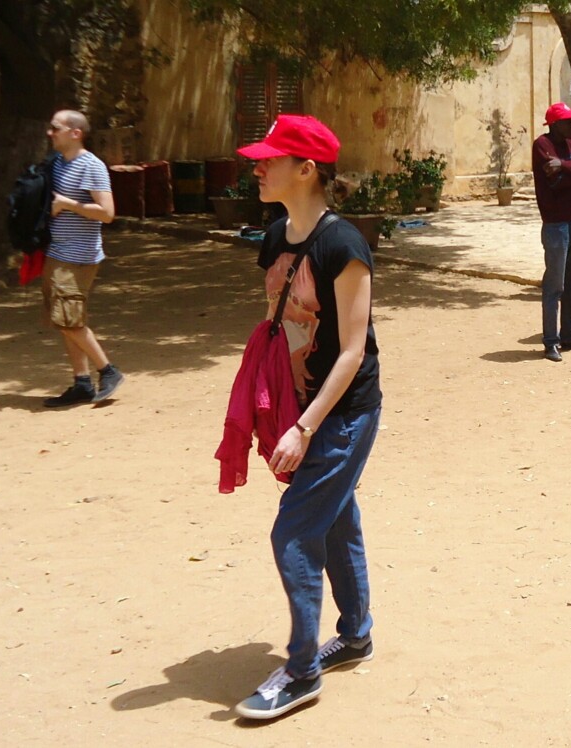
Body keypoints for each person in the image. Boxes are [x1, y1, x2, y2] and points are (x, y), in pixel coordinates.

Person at [231, 114, 384, 720]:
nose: (257, 166)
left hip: (343, 413)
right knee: (335, 514)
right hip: (300, 406)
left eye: (270, 158)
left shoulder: (343, 245)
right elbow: (282, 329)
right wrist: (271, 407)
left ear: (307, 169)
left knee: (293, 532)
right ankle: (356, 632)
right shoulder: (274, 237)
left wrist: (305, 426)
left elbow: (351, 349)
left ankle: (300, 671)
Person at [40, 109, 123, 408]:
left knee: (69, 319)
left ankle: (108, 371)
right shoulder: (59, 164)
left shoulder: (91, 166)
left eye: (55, 128)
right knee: (64, 320)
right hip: (56, 252)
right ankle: (82, 383)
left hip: (78, 255)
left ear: (75, 132)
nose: (50, 133)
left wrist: (68, 204)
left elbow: (108, 213)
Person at [532, 102, 571, 362]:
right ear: (556, 124)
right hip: (557, 223)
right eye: (569, 121)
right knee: (555, 285)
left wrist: (565, 166)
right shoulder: (542, 145)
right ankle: (551, 340)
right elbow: (554, 181)